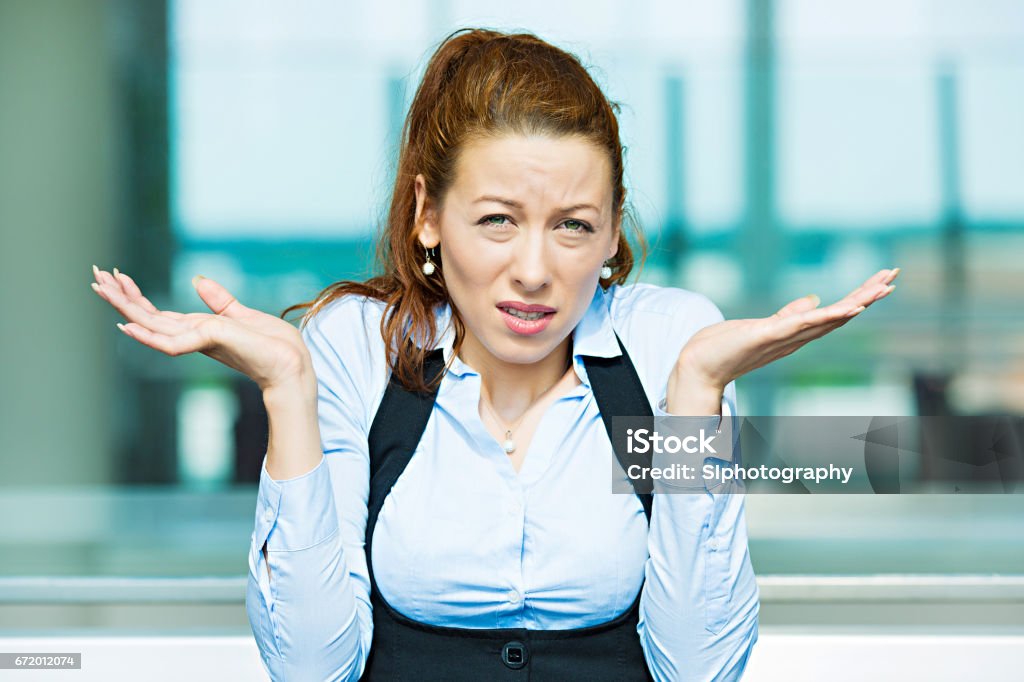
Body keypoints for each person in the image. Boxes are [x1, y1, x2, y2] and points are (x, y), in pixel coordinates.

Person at [89, 27, 898, 681]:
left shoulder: (671, 341)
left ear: (614, 230)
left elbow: (699, 667)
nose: (537, 270)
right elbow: (310, 669)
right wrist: (287, 391)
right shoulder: (356, 345)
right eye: (498, 221)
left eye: (574, 224)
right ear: (428, 217)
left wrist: (697, 394)